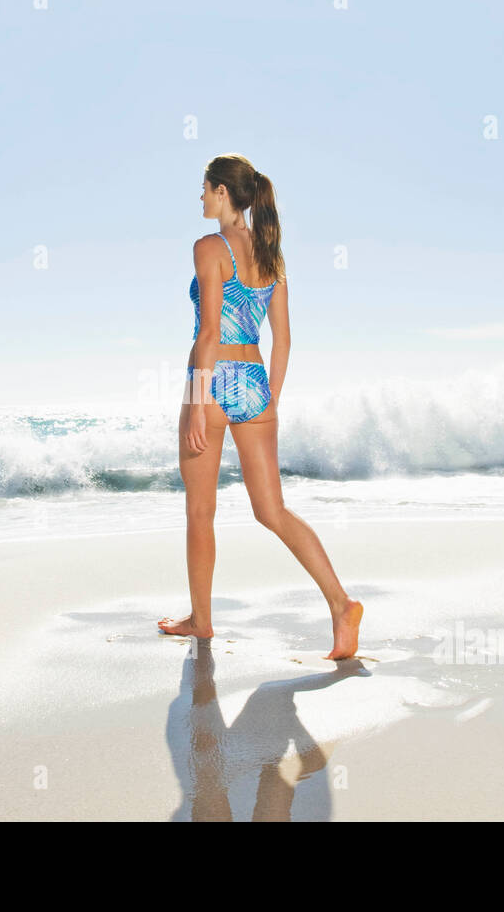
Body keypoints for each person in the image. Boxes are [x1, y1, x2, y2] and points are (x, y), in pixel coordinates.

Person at [158, 154, 363, 660]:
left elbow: (208, 332)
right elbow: (284, 339)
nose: (201, 198)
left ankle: (202, 622)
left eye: (205, 189)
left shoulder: (209, 247)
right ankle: (341, 604)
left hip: (207, 382)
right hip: (253, 381)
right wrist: (269, 396)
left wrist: (196, 401)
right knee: (272, 510)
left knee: (200, 510)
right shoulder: (272, 254)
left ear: (222, 192)